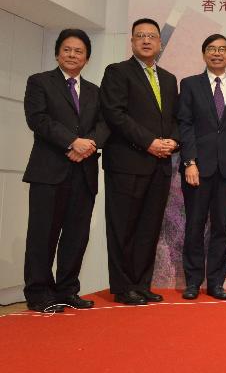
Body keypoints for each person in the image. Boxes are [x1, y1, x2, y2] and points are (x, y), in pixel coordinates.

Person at [22, 29, 108, 312]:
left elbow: (105, 124)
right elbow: (38, 120)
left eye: (79, 51)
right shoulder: (40, 82)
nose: (72, 55)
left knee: (76, 234)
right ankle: (38, 293)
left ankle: (67, 290)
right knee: (43, 234)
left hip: (84, 173)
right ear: (57, 52)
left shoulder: (95, 91)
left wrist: (88, 144)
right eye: (67, 50)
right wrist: (72, 142)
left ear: (87, 58)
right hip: (49, 171)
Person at [100, 18, 180, 305]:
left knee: (149, 227)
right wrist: (149, 142)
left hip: (159, 166)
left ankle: (142, 284)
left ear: (159, 43)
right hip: (127, 162)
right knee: (124, 226)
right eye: (140, 36)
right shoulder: (117, 72)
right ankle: (123, 287)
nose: (146, 41)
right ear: (132, 42)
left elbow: (175, 119)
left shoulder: (169, 79)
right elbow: (115, 114)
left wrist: (173, 140)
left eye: (152, 36)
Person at [178, 34, 226, 300]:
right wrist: (189, 162)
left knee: (221, 227)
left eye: (222, 50)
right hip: (197, 169)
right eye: (212, 49)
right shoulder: (190, 85)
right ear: (204, 53)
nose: (217, 54)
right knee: (194, 225)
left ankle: (216, 283)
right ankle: (193, 282)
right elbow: (185, 124)